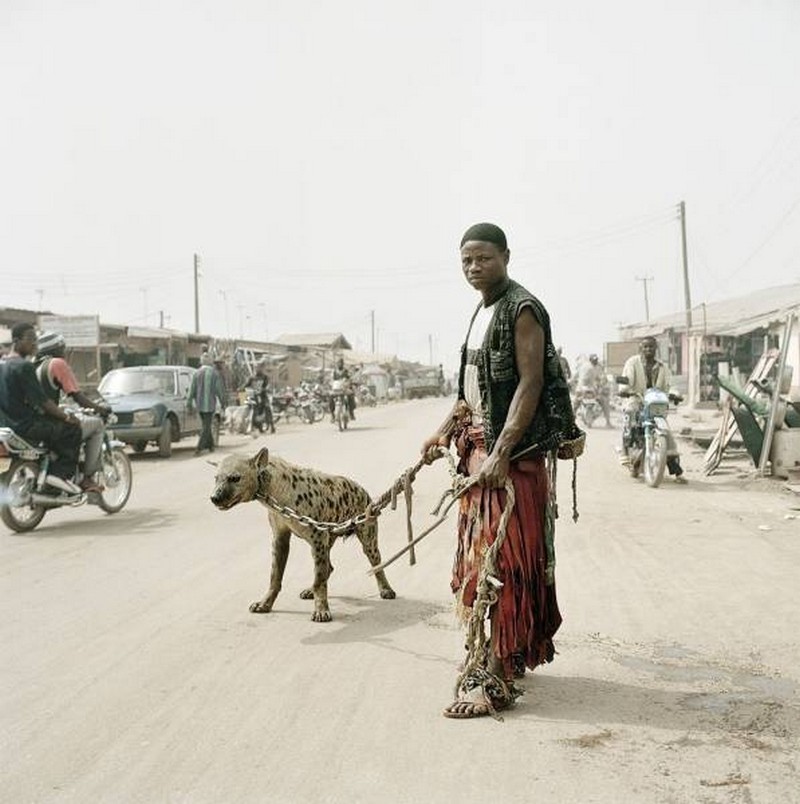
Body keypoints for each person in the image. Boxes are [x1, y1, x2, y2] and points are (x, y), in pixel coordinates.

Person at [421, 222, 564, 719]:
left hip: (509, 463)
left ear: (506, 255)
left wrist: (502, 451)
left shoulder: (521, 309)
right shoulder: (481, 313)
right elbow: (469, 392)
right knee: (482, 563)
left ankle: (499, 674)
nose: (473, 267)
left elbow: (530, 384)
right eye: (465, 261)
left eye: (482, 258)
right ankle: (498, 653)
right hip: (478, 458)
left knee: (502, 566)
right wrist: (442, 431)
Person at [0, 323, 83, 494]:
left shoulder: (2, 365)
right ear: (16, 341)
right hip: (27, 426)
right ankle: (61, 476)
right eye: (30, 339)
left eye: (36, 340)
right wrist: (67, 417)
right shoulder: (24, 366)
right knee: (73, 430)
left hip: (7, 425)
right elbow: (42, 401)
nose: (35, 344)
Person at [35, 330, 111, 493]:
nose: (64, 352)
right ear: (58, 348)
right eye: (63, 348)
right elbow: (77, 396)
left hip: (36, 421)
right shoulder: (57, 364)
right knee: (97, 425)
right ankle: (87, 478)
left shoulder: (34, 365)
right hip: (51, 422)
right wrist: (100, 409)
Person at [620, 336, 686, 482]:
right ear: (641, 348)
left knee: (666, 432)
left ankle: (676, 470)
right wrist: (624, 389)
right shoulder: (632, 362)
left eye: (651, 347)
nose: (648, 349)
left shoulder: (662, 367)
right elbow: (625, 378)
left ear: (656, 348)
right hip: (637, 398)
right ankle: (625, 450)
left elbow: (670, 384)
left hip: (655, 402)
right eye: (645, 347)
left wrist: (675, 394)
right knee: (630, 417)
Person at [188, 352, 226, 455]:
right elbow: (219, 390)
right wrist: (223, 403)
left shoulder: (196, 373)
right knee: (206, 426)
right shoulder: (214, 373)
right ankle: (199, 448)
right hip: (210, 405)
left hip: (199, 404)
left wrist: (189, 402)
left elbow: (192, 390)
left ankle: (211, 446)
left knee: (206, 425)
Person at [575, 353, 612, 427]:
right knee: (604, 402)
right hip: (588, 389)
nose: (595, 361)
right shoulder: (594, 368)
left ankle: (570, 420)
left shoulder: (583, 366)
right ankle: (608, 422)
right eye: (594, 360)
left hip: (583, 389)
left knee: (575, 404)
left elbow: (575, 377)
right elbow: (601, 379)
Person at [243, 359, 275, 434]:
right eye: (256, 368)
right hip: (253, 396)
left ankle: (272, 426)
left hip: (263, 395)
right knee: (250, 409)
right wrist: (241, 389)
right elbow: (246, 385)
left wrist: (265, 389)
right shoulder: (252, 377)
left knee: (267, 408)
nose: (258, 369)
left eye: (259, 368)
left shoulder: (265, 377)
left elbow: (268, 385)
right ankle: (252, 426)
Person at [329, 357, 356, 421]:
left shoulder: (346, 371)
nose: (339, 364)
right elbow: (331, 379)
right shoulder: (334, 371)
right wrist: (330, 383)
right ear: (337, 364)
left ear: (343, 364)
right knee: (330, 398)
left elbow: (350, 378)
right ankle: (332, 414)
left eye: (341, 363)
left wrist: (350, 382)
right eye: (338, 363)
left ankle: (351, 412)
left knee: (351, 396)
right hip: (336, 389)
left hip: (344, 388)